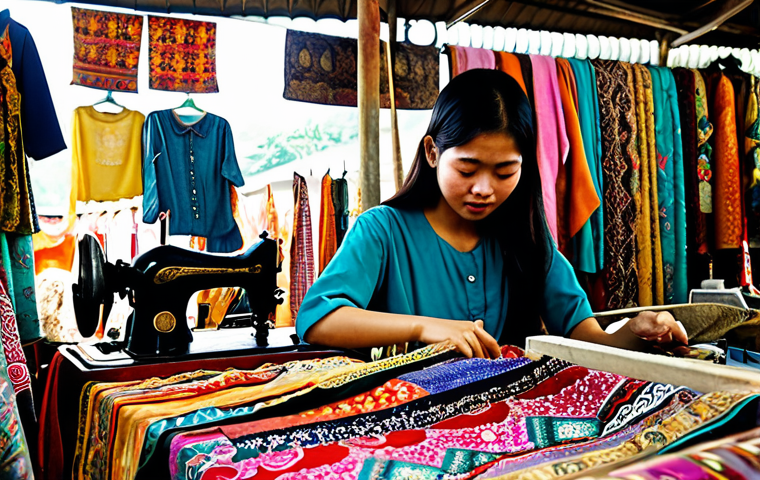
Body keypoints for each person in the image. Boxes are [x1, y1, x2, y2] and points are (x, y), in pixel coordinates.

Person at [295, 69, 687, 359]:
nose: (484, 189)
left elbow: (586, 338)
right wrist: (424, 326)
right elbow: (316, 320)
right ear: (432, 153)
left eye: (505, 172)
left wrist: (636, 334)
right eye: (467, 170)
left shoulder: (528, 238)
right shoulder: (381, 231)